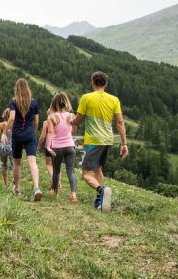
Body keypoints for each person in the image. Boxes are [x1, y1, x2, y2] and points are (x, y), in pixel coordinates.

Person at [71, 71, 128, 211]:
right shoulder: (114, 100)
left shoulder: (86, 98)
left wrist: (71, 121)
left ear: (93, 82)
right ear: (105, 84)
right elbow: (120, 122)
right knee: (98, 170)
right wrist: (124, 143)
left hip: (94, 141)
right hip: (108, 141)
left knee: (85, 173)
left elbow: (78, 120)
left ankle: (101, 190)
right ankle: (100, 202)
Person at [2, 78, 42, 201]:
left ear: (17, 89)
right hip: (30, 135)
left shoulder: (13, 102)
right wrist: (32, 131)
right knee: (32, 162)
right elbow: (36, 121)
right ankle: (36, 188)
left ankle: (17, 187)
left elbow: (12, 118)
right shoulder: (34, 103)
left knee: (17, 163)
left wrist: (4, 132)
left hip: (17, 136)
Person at [45, 92, 78, 202]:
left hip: (57, 147)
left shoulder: (52, 117)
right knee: (71, 172)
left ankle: (55, 193)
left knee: (56, 170)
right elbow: (73, 131)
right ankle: (73, 195)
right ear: (66, 102)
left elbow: (50, 133)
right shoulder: (71, 116)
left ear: (54, 103)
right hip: (70, 146)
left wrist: (48, 147)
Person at [37, 114, 56, 188]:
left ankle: (54, 180)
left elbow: (42, 135)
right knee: (56, 166)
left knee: (48, 164)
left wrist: (38, 145)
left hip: (49, 146)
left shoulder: (46, 122)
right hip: (58, 145)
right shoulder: (59, 121)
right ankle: (56, 182)